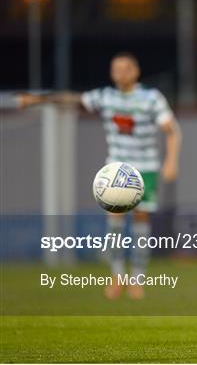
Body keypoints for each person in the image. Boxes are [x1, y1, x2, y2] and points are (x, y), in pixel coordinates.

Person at [24, 52, 182, 300]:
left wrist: (171, 160)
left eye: (126, 68)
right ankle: (117, 275)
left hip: (145, 169)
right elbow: (72, 99)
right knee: (115, 222)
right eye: (116, 69)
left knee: (141, 222)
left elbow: (172, 130)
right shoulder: (106, 97)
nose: (120, 73)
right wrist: (38, 100)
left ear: (136, 71)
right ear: (111, 73)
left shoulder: (150, 98)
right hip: (115, 169)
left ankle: (138, 279)